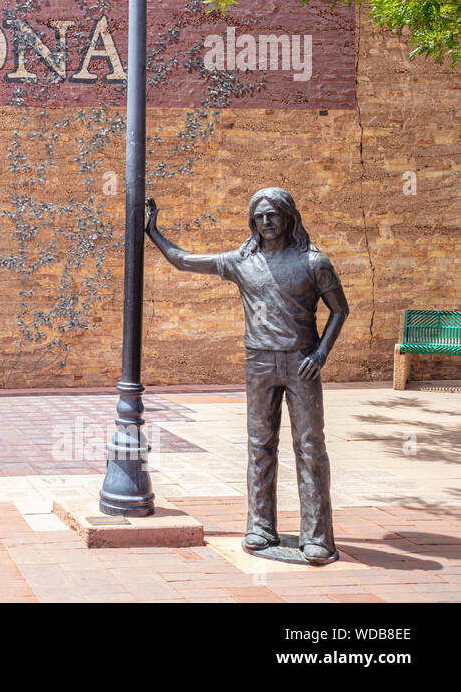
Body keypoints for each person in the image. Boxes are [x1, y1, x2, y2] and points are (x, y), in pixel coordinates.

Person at [145, 188, 349, 565]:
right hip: (258, 363)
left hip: (301, 361)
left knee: (309, 448)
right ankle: (260, 527)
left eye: (273, 215)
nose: (266, 222)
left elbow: (340, 309)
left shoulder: (313, 261)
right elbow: (183, 261)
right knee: (259, 446)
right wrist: (153, 232)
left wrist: (321, 353)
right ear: (252, 222)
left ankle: (317, 536)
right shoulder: (242, 262)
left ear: (289, 217)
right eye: (259, 217)